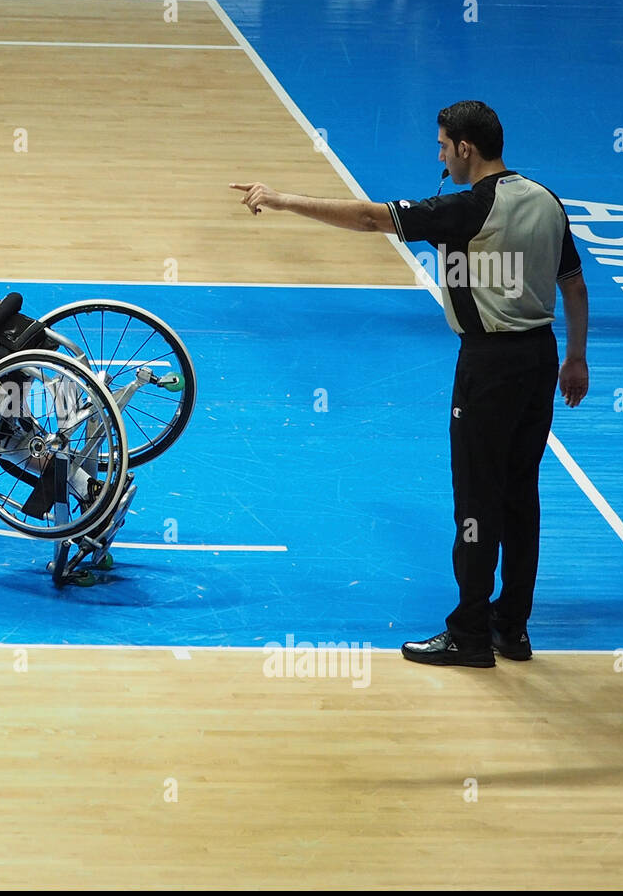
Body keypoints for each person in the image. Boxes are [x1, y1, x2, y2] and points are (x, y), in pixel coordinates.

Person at [231, 100, 588, 667]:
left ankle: (470, 633)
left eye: (444, 146)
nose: (441, 156)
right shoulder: (546, 199)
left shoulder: (465, 209)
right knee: (521, 495)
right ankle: (511, 628)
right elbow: (572, 284)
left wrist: (279, 199)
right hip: (540, 359)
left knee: (475, 498)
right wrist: (576, 359)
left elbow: (371, 219)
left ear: (466, 148)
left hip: (489, 366)